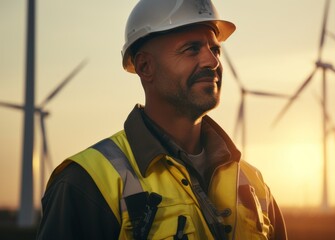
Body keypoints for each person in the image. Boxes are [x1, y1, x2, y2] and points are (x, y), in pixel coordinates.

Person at [36, 0, 287, 239]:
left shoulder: (253, 184)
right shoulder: (87, 184)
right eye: (192, 49)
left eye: (215, 49)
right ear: (145, 67)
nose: (213, 62)